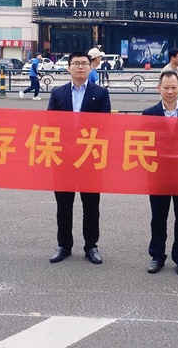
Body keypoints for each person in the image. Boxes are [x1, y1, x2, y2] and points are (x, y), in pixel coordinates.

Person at [47, 51, 111, 264]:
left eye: (84, 63)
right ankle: (64, 245)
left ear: (90, 67)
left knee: (91, 205)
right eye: (76, 64)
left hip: (89, 157)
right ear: (69, 68)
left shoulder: (101, 94)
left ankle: (91, 246)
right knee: (63, 204)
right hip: (63, 158)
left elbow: (105, 127)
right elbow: (50, 125)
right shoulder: (58, 93)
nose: (80, 67)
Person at [142, 71, 178, 275]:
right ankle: (156, 255)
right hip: (158, 174)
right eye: (166, 87)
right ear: (159, 88)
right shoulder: (148, 114)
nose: (170, 91)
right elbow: (145, 145)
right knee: (158, 217)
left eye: (174, 87)